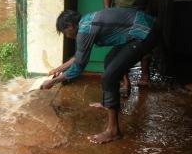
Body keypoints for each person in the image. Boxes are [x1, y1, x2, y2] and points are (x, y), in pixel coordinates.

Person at [40, 8, 158, 144]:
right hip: (142, 27)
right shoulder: (86, 22)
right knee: (109, 60)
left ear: (70, 25)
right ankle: (106, 102)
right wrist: (58, 69)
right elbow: (79, 56)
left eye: (65, 32)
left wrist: (53, 81)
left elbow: (79, 66)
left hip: (145, 32)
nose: (67, 36)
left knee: (109, 77)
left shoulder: (84, 30)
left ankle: (113, 131)